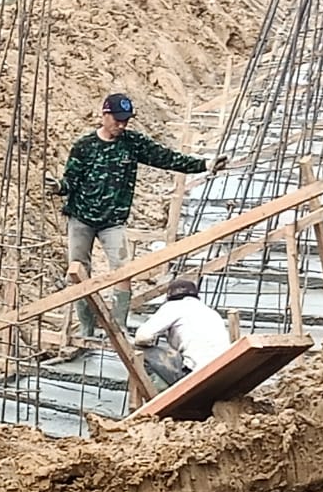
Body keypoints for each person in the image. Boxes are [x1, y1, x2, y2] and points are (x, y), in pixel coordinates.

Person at [46, 93, 227, 336]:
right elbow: (71, 180)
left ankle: (118, 328)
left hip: (113, 221)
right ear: (105, 115)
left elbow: (166, 158)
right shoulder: (85, 146)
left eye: (125, 121)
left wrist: (204, 165)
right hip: (81, 217)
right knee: (79, 272)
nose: (121, 125)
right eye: (117, 120)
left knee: (123, 270)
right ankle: (86, 330)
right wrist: (58, 187)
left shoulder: (132, 143)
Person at [133, 278, 231, 392]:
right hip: (223, 373)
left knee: (138, 351)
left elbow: (142, 336)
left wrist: (150, 342)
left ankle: (159, 394)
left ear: (169, 297)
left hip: (194, 373)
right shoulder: (211, 312)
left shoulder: (173, 307)